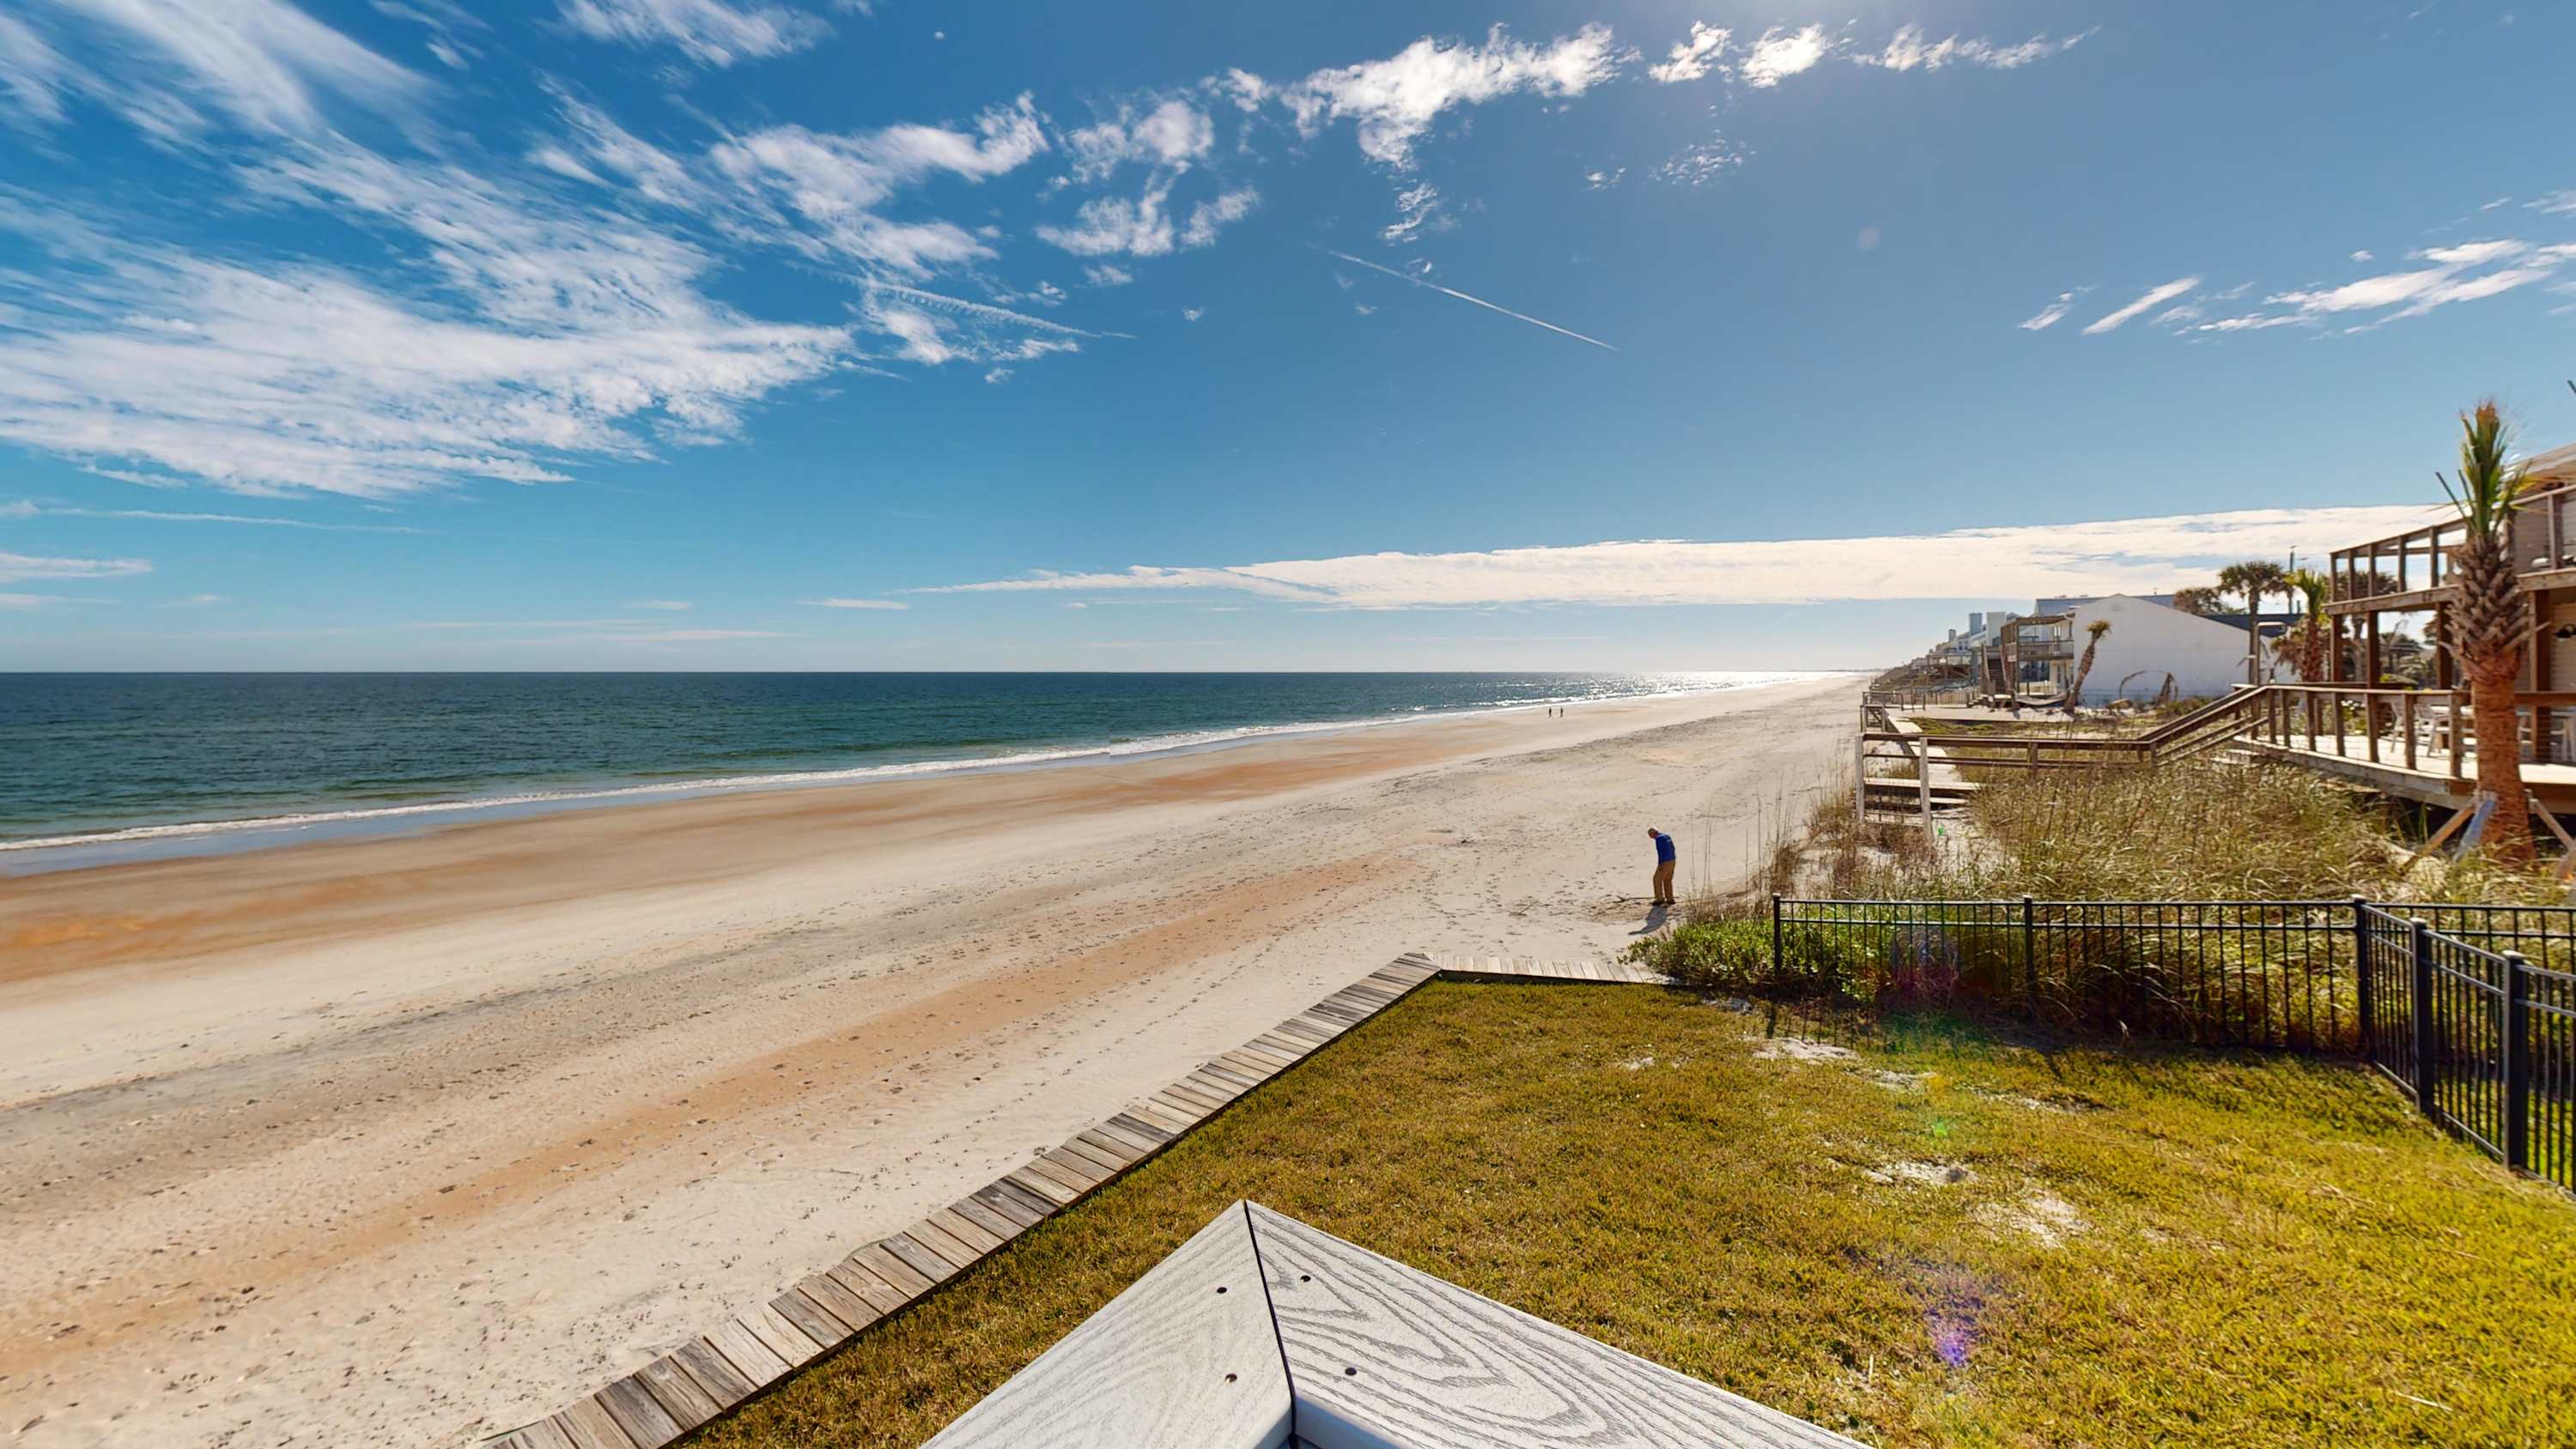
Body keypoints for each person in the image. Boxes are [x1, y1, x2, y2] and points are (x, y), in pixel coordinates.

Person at [1646, 826, 1677, 906]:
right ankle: (1670, 898)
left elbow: (1660, 852)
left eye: (1650, 835)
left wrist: (1660, 864)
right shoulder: (1667, 836)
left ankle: (1659, 898)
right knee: (1668, 880)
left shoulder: (1659, 839)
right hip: (1672, 860)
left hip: (1665, 861)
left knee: (1657, 879)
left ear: (1653, 834)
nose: (1651, 837)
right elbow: (1673, 848)